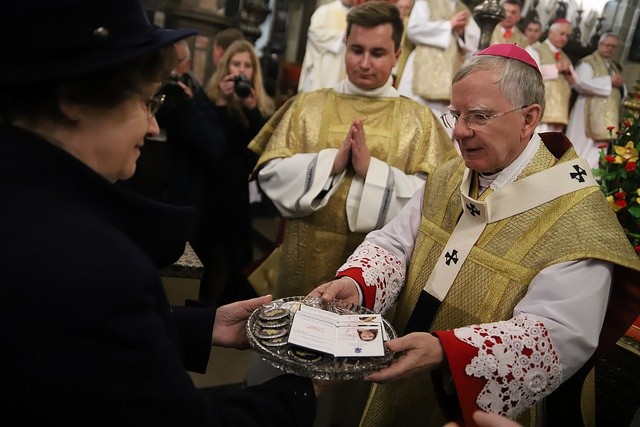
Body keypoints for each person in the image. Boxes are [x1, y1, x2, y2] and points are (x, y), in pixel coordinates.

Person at [0, 0, 321, 425]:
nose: (152, 126)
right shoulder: (95, 263)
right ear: (74, 99)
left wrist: (203, 326)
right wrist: (304, 389)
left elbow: (74, 336)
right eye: (147, 101)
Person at [309, 44, 640, 427]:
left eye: (479, 116)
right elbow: (397, 243)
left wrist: (448, 352)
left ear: (529, 118)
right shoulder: (451, 175)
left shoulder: (576, 216)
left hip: (480, 407)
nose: (461, 132)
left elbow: (558, 334)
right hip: (403, 365)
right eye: (456, 115)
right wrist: (360, 282)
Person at [248, 1, 456, 301]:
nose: (365, 63)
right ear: (345, 45)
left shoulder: (420, 121)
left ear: (397, 55)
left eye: (378, 53)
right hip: (301, 266)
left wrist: (372, 171)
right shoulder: (307, 106)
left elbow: (436, 201)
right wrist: (329, 163)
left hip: (373, 278)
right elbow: (269, 172)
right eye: (357, 50)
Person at [202, 39, 275, 304]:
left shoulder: (261, 106)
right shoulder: (209, 101)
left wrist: (252, 110)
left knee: (236, 262)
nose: (242, 70)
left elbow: (261, 151)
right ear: (226, 68)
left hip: (240, 197)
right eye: (236, 64)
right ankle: (206, 316)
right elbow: (211, 146)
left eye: (247, 65)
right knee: (212, 262)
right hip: (211, 194)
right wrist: (221, 103)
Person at [396, 0, 480, 138]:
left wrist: (461, 32)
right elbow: (413, 30)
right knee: (410, 124)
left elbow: (474, 43)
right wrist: (448, 25)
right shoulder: (426, 2)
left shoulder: (462, 8)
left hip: (450, 73)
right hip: (422, 69)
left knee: (441, 131)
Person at [566, 32, 627, 169]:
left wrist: (619, 85)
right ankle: (573, 173)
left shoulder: (612, 66)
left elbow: (621, 90)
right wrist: (609, 81)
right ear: (600, 44)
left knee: (599, 150)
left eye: (613, 46)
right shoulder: (587, 63)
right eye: (607, 45)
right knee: (582, 146)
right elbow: (581, 83)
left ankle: (594, 176)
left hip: (606, 117)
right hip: (586, 112)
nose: (610, 49)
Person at [526, 18, 577, 133]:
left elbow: (576, 84)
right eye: (562, 34)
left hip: (559, 110)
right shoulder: (535, 49)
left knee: (552, 145)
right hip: (540, 105)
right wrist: (556, 68)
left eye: (567, 36)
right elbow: (530, 72)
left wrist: (568, 72)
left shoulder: (565, 56)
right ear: (550, 32)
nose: (564, 38)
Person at [297, 0, 354, 93]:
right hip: (321, 68)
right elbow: (314, 33)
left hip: (342, 70)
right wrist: (340, 36)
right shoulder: (324, 11)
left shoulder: (356, 17)